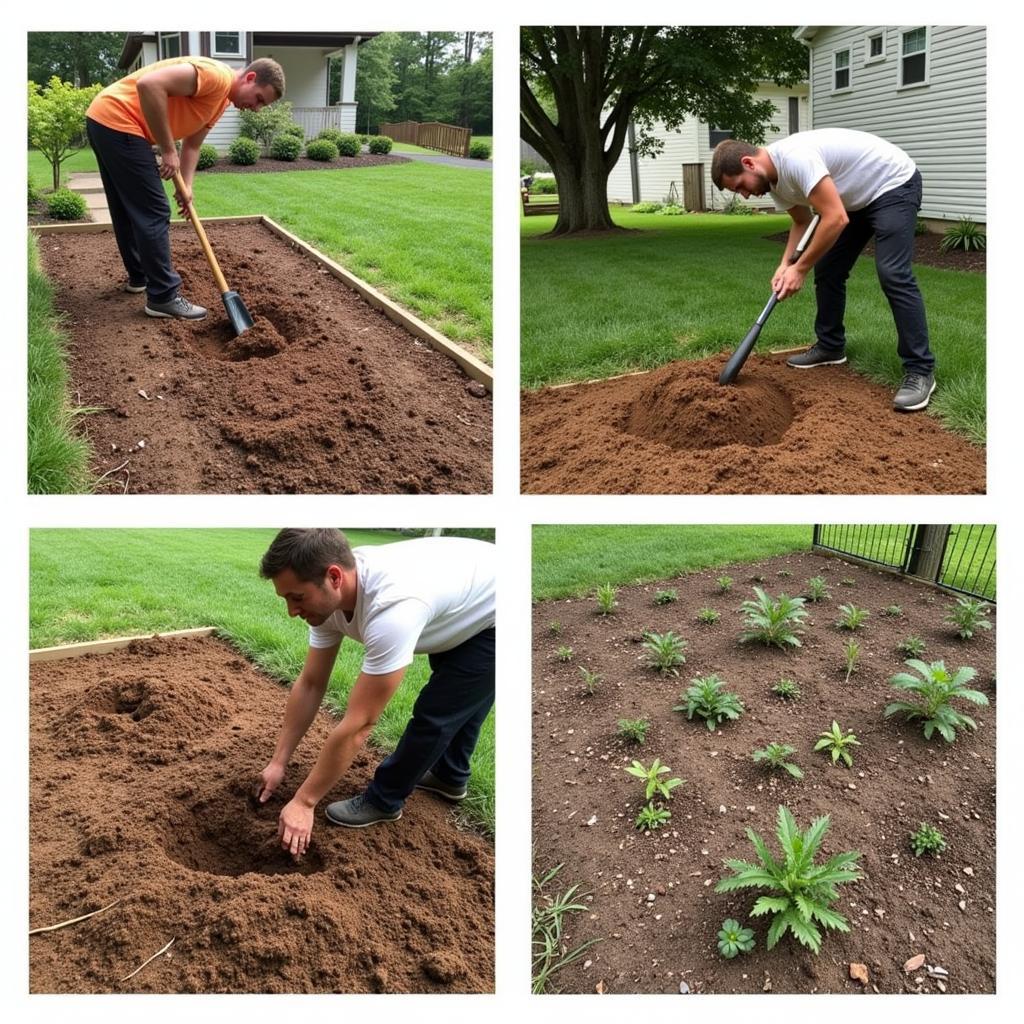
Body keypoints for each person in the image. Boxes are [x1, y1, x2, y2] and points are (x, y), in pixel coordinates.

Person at [255, 529, 496, 856]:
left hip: (499, 609)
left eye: (297, 597)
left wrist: (304, 802)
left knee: (438, 712)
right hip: (465, 592)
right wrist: (278, 761)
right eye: (286, 599)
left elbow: (361, 723)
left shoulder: (392, 610)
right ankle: (450, 777)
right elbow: (311, 683)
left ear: (335, 577)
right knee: (463, 699)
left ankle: (384, 800)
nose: (292, 611)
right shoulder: (327, 602)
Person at [711, 128, 936, 412]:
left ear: (748, 163)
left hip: (892, 184)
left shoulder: (795, 159)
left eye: (739, 186)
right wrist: (786, 265)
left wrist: (800, 269)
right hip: (853, 199)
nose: (744, 195)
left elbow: (835, 218)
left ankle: (920, 370)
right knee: (829, 269)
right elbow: (802, 222)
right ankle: (831, 346)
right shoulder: (775, 182)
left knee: (893, 272)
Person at [85, 55, 285, 320]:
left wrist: (186, 186)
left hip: (104, 119)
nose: (256, 108)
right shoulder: (216, 76)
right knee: (154, 210)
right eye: (259, 99)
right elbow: (149, 85)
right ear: (250, 78)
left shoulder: (221, 100)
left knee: (127, 206)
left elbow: (193, 145)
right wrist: (168, 150)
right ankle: (163, 297)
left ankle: (140, 277)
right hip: (120, 120)